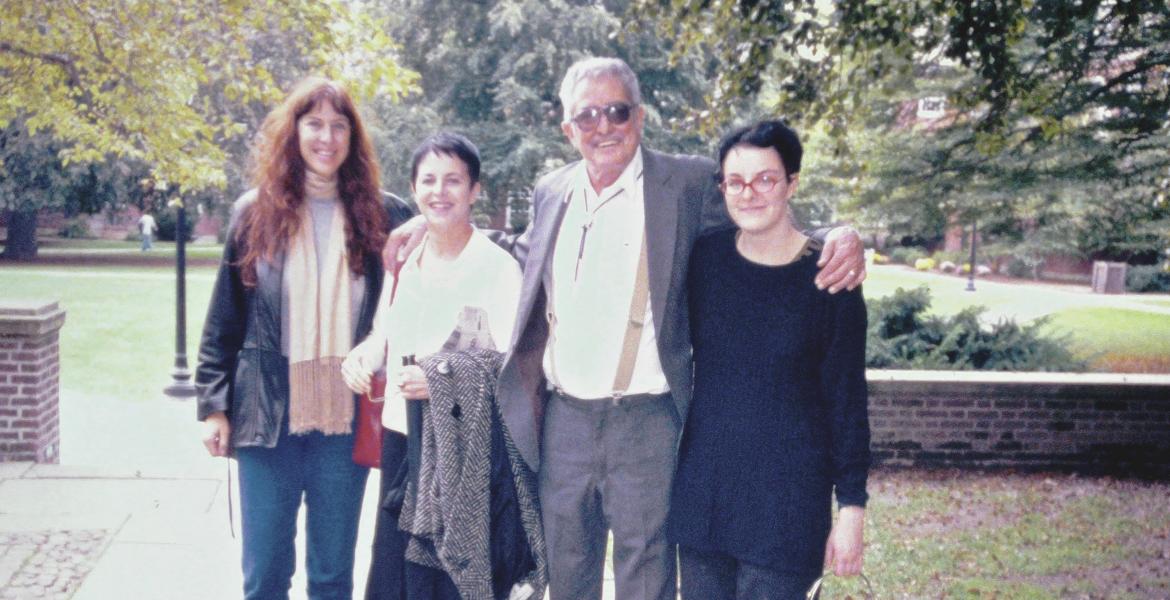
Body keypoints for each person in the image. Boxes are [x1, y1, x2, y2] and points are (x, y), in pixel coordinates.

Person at [384, 57, 866, 600]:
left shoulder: (682, 182)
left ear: (638, 116)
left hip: (646, 421)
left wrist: (840, 234)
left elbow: (759, 207)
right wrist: (426, 219)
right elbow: (520, 253)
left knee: (646, 575)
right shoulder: (551, 190)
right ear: (567, 129)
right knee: (567, 574)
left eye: (615, 110)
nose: (603, 126)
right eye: (586, 117)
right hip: (562, 420)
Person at [194, 76, 412, 600]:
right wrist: (213, 407)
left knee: (332, 574)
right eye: (314, 123)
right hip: (266, 417)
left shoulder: (386, 216)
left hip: (347, 419)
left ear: (352, 139)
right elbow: (225, 320)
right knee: (265, 572)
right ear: (293, 132)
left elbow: (414, 296)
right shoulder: (255, 212)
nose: (327, 137)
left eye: (339, 126)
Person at [668, 120, 870, 600]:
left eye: (766, 179)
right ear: (722, 188)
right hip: (706, 502)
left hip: (788, 509)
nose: (750, 193)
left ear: (792, 183)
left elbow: (847, 403)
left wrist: (852, 510)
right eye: (735, 181)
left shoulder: (830, 279)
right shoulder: (704, 259)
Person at [342, 133, 542, 599]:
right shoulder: (405, 262)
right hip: (401, 439)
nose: (440, 191)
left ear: (474, 191)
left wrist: (442, 379)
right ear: (413, 190)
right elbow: (385, 333)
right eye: (428, 180)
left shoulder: (497, 268)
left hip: (463, 451)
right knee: (392, 577)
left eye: (453, 180)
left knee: (449, 579)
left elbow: (515, 367)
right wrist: (363, 356)